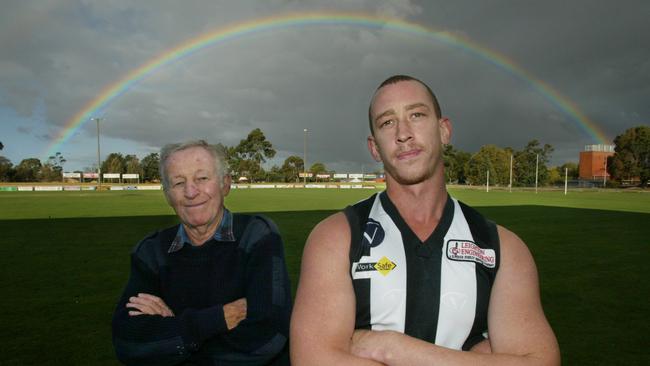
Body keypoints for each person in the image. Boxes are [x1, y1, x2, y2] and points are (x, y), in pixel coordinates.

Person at [290, 75, 560, 365]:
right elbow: (312, 360)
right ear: (374, 147)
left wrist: (391, 348)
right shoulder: (336, 239)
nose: (403, 133)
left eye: (416, 115)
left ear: (444, 131)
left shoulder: (502, 248)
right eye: (387, 122)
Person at [112, 140, 292, 365]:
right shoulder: (150, 252)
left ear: (225, 184)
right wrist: (219, 319)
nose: (190, 192)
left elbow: (266, 338)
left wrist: (174, 334)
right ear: (167, 195)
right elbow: (128, 343)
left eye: (202, 178)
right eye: (178, 182)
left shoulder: (256, 235)